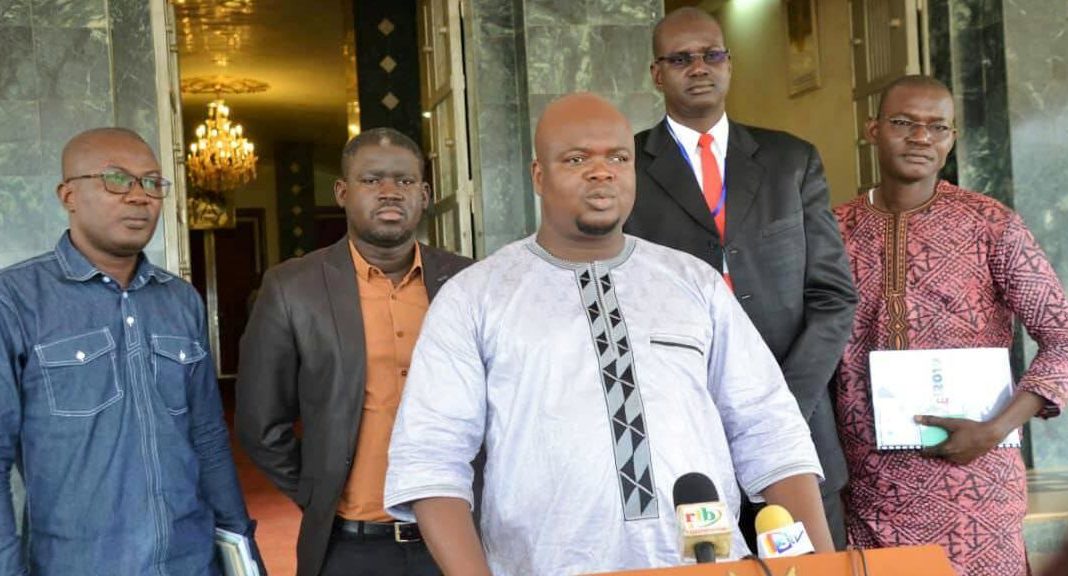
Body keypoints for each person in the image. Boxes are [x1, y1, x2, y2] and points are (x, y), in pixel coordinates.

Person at [383, 93, 833, 576]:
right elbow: (431, 458)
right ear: (539, 176)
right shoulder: (477, 296)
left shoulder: (693, 283)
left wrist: (822, 569)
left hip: (706, 564)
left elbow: (769, 429)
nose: (602, 172)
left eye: (618, 158)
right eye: (577, 159)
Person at [623, 7, 857, 549]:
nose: (698, 68)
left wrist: (780, 403)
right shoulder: (627, 168)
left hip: (797, 431)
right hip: (683, 437)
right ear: (657, 73)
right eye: (680, 59)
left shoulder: (790, 160)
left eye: (712, 55)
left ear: (730, 64)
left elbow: (833, 296)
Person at [833, 75, 1068, 575]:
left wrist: (995, 429)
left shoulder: (990, 224)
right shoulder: (833, 231)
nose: (921, 137)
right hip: (871, 493)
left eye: (937, 127)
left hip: (976, 488)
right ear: (872, 129)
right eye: (903, 123)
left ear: (952, 139)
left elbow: (1062, 337)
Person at [0, 128, 258, 574]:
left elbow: (208, 438)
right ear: (68, 195)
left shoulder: (180, 300)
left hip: (191, 561)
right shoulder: (16, 300)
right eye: (117, 179)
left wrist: (241, 551)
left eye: (153, 182)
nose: (139, 196)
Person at [237, 127, 471, 576]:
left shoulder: (467, 281)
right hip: (349, 547)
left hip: (458, 540)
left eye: (404, 181)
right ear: (343, 192)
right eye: (372, 180)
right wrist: (319, 492)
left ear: (424, 195)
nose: (389, 192)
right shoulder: (293, 288)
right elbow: (260, 424)